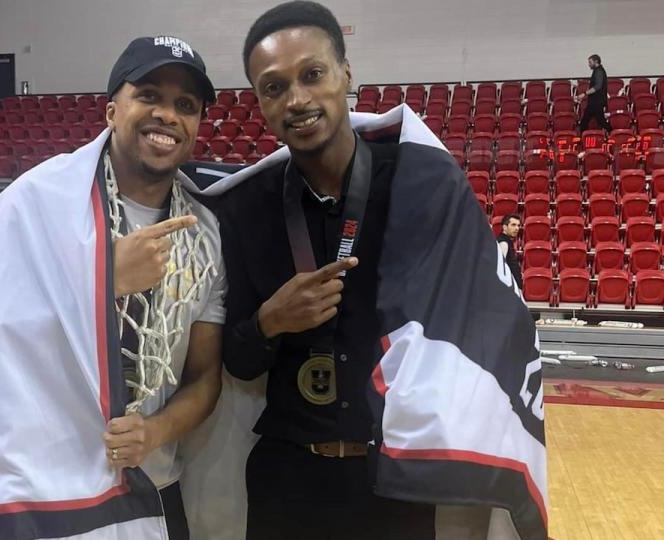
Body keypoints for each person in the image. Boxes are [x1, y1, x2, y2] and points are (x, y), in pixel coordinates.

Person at [210, 2, 545, 539]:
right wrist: (270, 322)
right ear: (259, 103)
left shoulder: (418, 187)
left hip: (391, 482)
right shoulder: (247, 208)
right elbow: (237, 361)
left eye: (312, 74)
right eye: (273, 88)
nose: (296, 99)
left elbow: (481, 324)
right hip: (286, 478)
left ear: (347, 74)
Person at [0, 36, 226, 539]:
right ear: (111, 110)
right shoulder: (30, 204)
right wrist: (101, 278)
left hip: (157, 486)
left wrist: (155, 432)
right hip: (45, 490)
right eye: (148, 95)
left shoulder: (204, 232)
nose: (167, 114)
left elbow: (205, 376)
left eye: (185, 105)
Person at [576, 54, 611, 133]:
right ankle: (612, 133)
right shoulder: (598, 71)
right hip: (596, 102)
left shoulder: (599, 71)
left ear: (596, 61)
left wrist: (584, 94)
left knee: (587, 121)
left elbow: (598, 86)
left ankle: (582, 138)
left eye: (590, 62)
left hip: (596, 102)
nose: (589, 64)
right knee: (599, 121)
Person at [498, 214, 523, 290]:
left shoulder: (507, 242)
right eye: (513, 225)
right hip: (509, 289)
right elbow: (500, 268)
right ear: (504, 227)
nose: (517, 228)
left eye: (518, 225)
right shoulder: (503, 243)